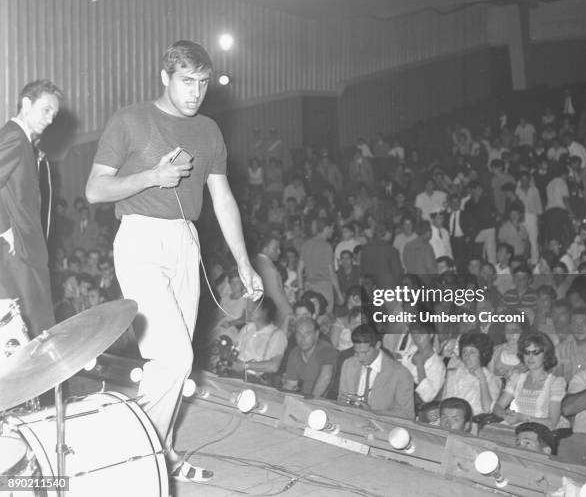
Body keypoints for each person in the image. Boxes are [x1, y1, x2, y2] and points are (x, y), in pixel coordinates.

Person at [86, 40, 263, 483]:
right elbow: (95, 190)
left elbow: (223, 198)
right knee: (176, 357)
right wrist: (152, 177)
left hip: (186, 241)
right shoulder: (130, 120)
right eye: (187, 81)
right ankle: (136, 454)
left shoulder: (208, 130)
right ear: (165, 77)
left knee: (170, 364)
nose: (195, 92)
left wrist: (244, 262)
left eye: (203, 83)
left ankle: (159, 450)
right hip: (140, 237)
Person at [0, 79, 62, 337]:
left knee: (37, 331)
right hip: (20, 253)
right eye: (45, 110)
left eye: (54, 114)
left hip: (27, 253)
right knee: (33, 334)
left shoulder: (24, 143)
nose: (50, 119)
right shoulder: (14, 136)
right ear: (26, 103)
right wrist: (4, 229)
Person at [339, 324, 415, 419]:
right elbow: (341, 401)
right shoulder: (348, 364)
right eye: (357, 352)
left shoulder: (401, 374)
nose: (360, 358)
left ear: (378, 345)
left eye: (365, 352)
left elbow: (407, 415)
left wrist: (372, 413)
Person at [493, 331, 566, 429]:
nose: (530, 357)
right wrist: (504, 415)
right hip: (517, 426)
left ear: (545, 356)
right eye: (527, 353)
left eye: (535, 353)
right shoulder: (517, 378)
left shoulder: (555, 383)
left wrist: (523, 418)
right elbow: (497, 407)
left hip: (541, 430)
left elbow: (552, 422)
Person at [284, 316, 337, 397]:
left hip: (323, 401)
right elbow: (290, 384)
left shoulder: (326, 350)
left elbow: (325, 379)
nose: (302, 338)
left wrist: (310, 401)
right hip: (302, 398)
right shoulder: (295, 352)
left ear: (316, 334)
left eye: (307, 334)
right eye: (299, 334)